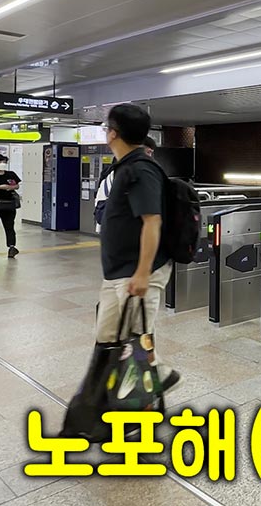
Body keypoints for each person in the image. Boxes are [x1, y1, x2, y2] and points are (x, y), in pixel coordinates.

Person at [95, 104, 178, 389]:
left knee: (136, 341)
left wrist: (142, 273)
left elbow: (152, 221)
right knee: (109, 337)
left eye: (106, 127)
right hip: (118, 271)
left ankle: (139, 403)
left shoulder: (141, 170)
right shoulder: (124, 167)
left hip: (137, 272)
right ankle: (116, 392)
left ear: (113, 134)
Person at [93, 137, 156, 233]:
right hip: (119, 228)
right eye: (148, 152)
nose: (150, 156)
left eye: (151, 153)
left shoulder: (119, 169)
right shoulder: (122, 173)